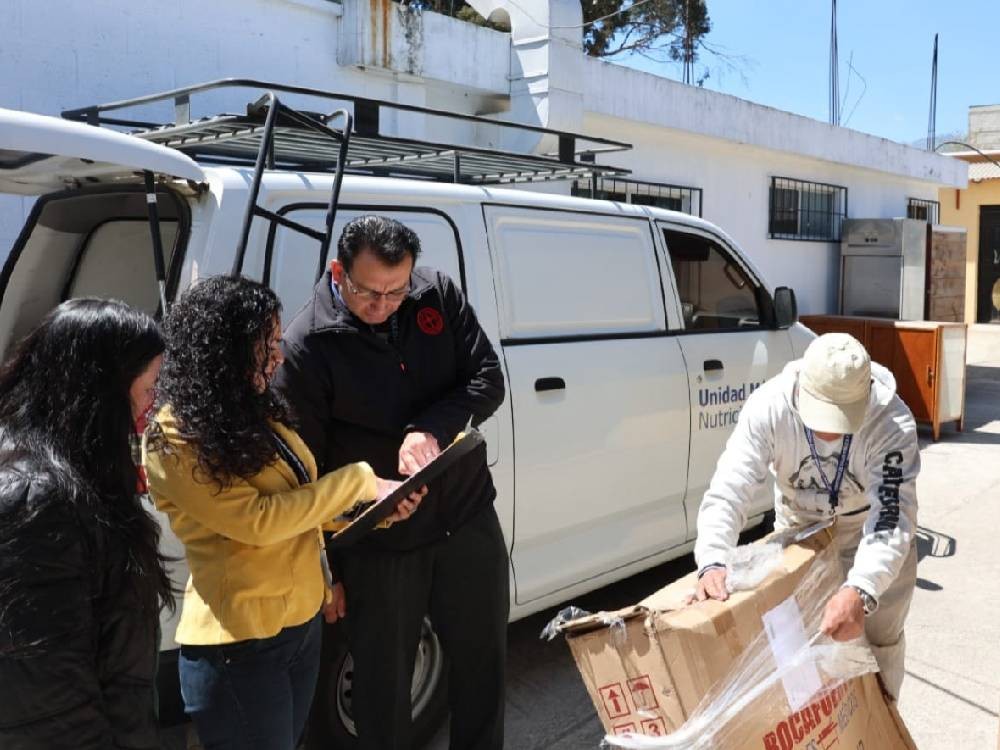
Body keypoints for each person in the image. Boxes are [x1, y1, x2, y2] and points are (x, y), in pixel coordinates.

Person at [143, 275, 422, 750]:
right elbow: (259, 522)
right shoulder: (173, 435)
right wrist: (357, 481)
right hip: (238, 647)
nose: (280, 356)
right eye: (266, 345)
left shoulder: (253, 407)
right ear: (223, 350)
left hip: (298, 627)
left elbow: (301, 505)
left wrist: (372, 509)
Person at [275, 215, 508, 750]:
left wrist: (429, 428)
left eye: (396, 291)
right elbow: (301, 469)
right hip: (379, 541)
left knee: (483, 669)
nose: (383, 305)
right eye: (368, 293)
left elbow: (487, 380)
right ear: (339, 271)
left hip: (465, 516)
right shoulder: (308, 345)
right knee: (382, 691)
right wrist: (323, 564)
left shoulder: (435, 294)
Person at [693, 332, 919, 698]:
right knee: (798, 653)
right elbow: (730, 487)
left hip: (867, 533)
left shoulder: (892, 423)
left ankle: (881, 728)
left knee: (879, 647)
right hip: (800, 531)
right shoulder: (767, 407)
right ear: (802, 389)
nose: (830, 430)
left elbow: (891, 518)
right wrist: (713, 558)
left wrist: (862, 588)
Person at [0, 299, 170, 749]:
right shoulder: (37, 501)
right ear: (102, 391)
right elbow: (46, 698)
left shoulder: (72, 478)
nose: (154, 407)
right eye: (150, 388)